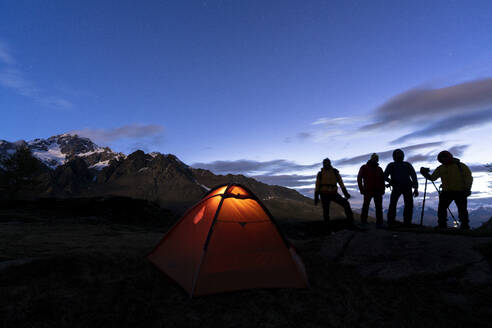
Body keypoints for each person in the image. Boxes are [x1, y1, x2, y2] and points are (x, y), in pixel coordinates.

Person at [420, 151, 473, 230]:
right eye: (442, 159)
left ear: (449, 157)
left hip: (458, 191)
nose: (443, 160)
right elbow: (432, 178)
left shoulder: (460, 166)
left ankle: (449, 225)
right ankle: (461, 226)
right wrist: (424, 174)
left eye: (444, 158)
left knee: (453, 209)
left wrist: (467, 189)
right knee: (452, 209)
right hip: (452, 192)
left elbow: (469, 178)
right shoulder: (446, 167)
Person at [314, 158, 354, 230]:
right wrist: (316, 197)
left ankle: (351, 224)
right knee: (326, 211)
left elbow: (341, 183)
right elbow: (317, 186)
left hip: (333, 193)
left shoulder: (335, 172)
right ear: (323, 164)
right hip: (324, 194)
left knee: (346, 204)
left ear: (330, 163)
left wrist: (345, 193)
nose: (326, 164)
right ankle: (327, 229)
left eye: (327, 163)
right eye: (325, 163)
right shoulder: (320, 174)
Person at [384, 149, 419, 227]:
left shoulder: (392, 165)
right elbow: (414, 177)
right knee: (406, 205)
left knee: (395, 204)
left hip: (400, 187)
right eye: (398, 155)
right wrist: (416, 188)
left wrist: (391, 181)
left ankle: (392, 222)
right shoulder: (406, 165)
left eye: (399, 155)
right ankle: (405, 222)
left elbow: (384, 176)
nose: (399, 157)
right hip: (405, 187)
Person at [357, 153, 385, 227]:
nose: (375, 160)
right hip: (369, 190)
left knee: (377, 207)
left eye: (376, 159)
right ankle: (365, 222)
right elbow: (359, 178)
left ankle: (378, 223)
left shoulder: (379, 169)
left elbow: (382, 180)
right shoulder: (364, 167)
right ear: (371, 159)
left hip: (375, 191)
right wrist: (361, 189)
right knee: (368, 206)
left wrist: (383, 189)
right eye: (374, 158)